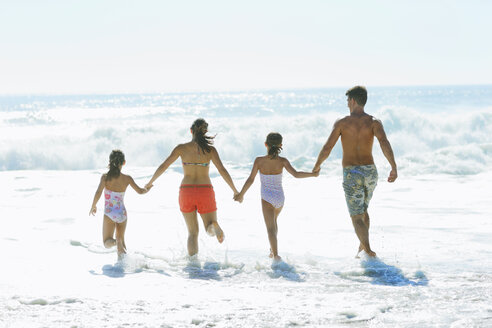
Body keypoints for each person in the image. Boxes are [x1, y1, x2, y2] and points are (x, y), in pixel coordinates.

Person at [312, 86, 397, 258]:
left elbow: (328, 147)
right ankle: (362, 249)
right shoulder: (374, 122)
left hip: (352, 174)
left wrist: (317, 166)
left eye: (347, 101)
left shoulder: (342, 123)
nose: (346, 104)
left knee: (356, 216)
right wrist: (393, 167)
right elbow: (384, 144)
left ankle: (368, 251)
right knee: (363, 210)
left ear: (352, 101)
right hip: (370, 173)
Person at [145, 118, 238, 256]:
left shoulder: (181, 148)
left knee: (192, 233)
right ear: (205, 131)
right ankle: (214, 226)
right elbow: (222, 170)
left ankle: (193, 266)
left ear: (191, 131)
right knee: (208, 227)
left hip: (186, 191)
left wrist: (150, 182)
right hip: (205, 190)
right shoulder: (210, 150)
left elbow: (164, 166)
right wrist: (235, 191)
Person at [234, 132, 319, 261]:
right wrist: (313, 174)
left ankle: (276, 255)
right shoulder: (283, 161)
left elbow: (251, 179)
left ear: (265, 144)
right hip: (280, 198)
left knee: (270, 228)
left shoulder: (259, 161)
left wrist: (241, 194)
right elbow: (296, 174)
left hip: (267, 197)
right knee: (273, 224)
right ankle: (272, 250)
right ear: (280, 145)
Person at [89, 150, 150, 258]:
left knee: (107, 242)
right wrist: (146, 189)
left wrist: (93, 205)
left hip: (109, 213)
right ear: (124, 162)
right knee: (122, 241)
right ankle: (123, 264)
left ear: (110, 161)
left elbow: (98, 192)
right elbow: (140, 191)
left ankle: (115, 242)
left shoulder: (105, 177)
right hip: (122, 213)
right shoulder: (127, 178)